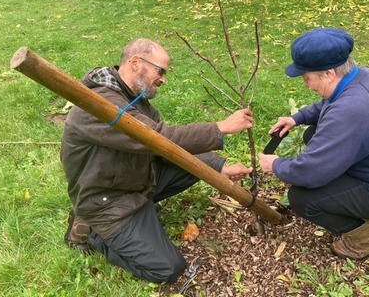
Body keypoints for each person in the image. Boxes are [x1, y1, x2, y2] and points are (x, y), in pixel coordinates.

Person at [61, 38, 254, 283]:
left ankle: (143, 212)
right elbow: (156, 139)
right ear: (135, 62)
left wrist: (218, 167)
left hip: (135, 180)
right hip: (107, 201)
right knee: (167, 269)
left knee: (197, 167)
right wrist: (220, 127)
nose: (163, 79)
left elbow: (167, 149)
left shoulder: (134, 100)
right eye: (160, 70)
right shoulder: (97, 106)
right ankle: (92, 233)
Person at [258, 28, 369, 260]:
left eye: (307, 78)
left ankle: (368, 239)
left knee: (302, 199)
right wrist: (297, 118)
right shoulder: (359, 77)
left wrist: (275, 165)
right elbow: (328, 104)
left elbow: (310, 172)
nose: (306, 84)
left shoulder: (351, 110)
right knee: (312, 135)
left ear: (328, 73)